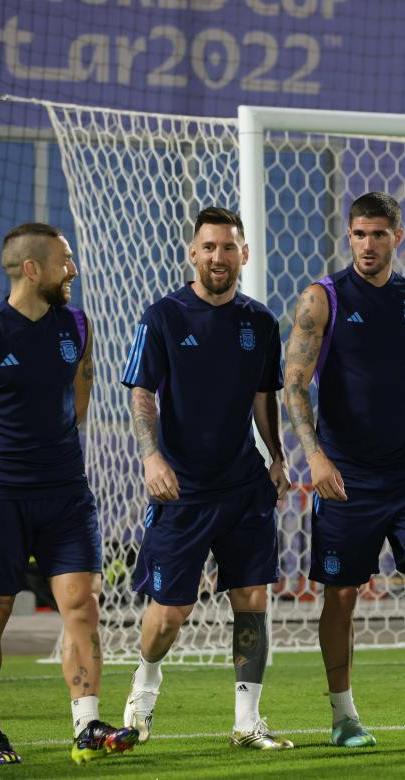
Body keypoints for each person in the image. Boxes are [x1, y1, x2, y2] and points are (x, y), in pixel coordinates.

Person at [283, 191, 405, 748]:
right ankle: (344, 717)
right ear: (349, 237)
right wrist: (314, 456)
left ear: (398, 235)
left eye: (377, 234)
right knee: (341, 596)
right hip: (346, 475)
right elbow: (294, 384)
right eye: (358, 234)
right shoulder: (321, 299)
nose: (367, 244)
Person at [0, 223, 138, 765]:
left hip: (67, 493)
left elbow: (79, 399)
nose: (72, 270)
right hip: (2, 496)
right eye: (63, 262)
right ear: (32, 269)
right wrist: (1, 462)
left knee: (83, 604)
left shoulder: (77, 326)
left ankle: (88, 725)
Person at [119, 207, 293, 751]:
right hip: (182, 489)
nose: (219, 257)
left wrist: (278, 457)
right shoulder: (162, 316)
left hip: (244, 486)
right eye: (209, 247)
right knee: (171, 611)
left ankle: (247, 721)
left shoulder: (261, 322)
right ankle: (144, 684)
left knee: (252, 601)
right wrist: (151, 457)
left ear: (244, 254)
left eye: (229, 247)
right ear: (193, 253)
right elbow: (142, 393)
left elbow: (266, 398)